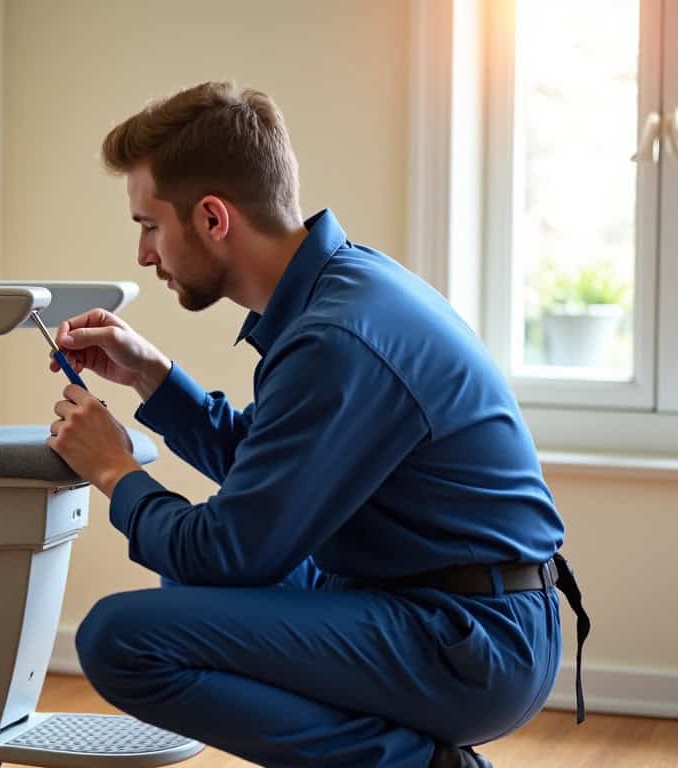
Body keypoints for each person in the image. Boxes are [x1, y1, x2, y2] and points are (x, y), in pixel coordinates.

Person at [45, 81, 587, 768]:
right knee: (193, 588)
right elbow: (275, 476)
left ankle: (420, 765)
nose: (144, 255)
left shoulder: (337, 338)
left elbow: (228, 550)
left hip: (470, 641)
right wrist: (152, 375)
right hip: (429, 603)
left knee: (119, 639)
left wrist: (113, 471)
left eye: (149, 226)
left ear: (212, 218)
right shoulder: (341, 291)